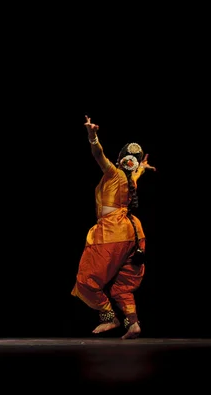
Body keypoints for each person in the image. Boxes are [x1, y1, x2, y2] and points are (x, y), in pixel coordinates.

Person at [71, 115, 156, 340]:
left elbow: (98, 155)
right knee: (123, 285)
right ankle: (134, 324)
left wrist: (92, 137)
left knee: (86, 280)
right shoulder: (130, 179)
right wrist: (143, 169)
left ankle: (109, 316)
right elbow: (136, 172)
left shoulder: (114, 173)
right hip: (134, 235)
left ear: (119, 160)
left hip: (112, 234)